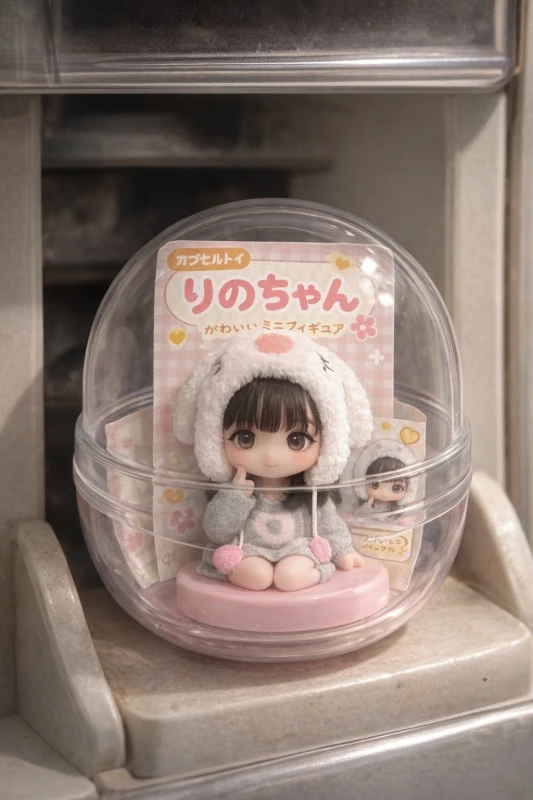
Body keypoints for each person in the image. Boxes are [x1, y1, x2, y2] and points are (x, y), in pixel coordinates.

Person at [174, 330, 373, 591]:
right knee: (256, 576)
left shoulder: (310, 496)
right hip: (246, 551)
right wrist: (236, 497)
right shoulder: (234, 492)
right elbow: (217, 530)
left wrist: (344, 551)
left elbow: (331, 525)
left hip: (298, 551)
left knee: (290, 576)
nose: (271, 457)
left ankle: (318, 570)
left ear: (328, 441)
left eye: (297, 440)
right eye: (246, 438)